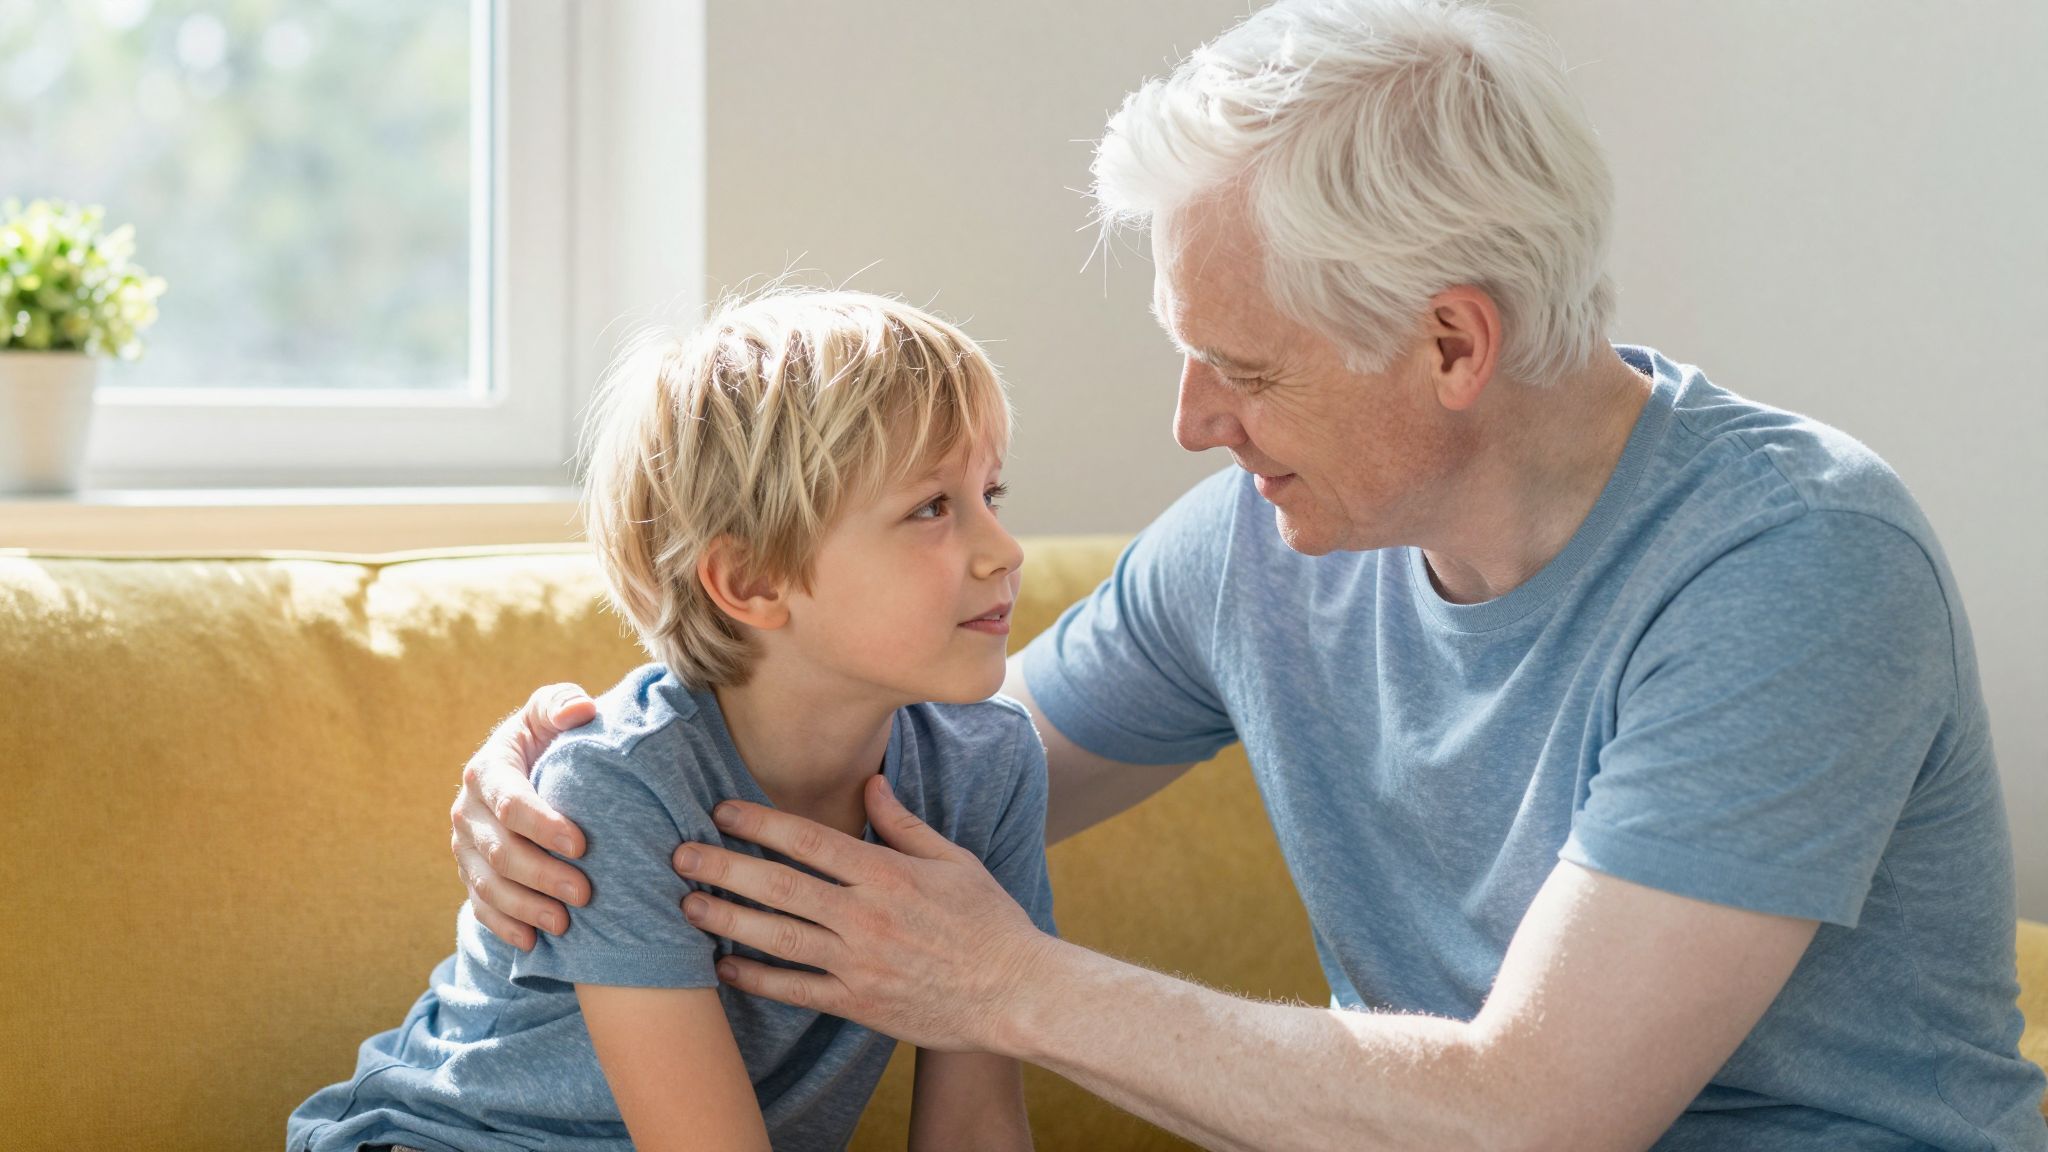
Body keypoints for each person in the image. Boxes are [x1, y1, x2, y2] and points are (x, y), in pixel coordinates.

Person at [450, 2, 2048, 1149]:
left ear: (1451, 343)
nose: (1193, 423)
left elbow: (1543, 1117)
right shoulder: (1262, 546)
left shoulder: (1793, 566)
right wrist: (557, 778)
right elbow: (909, 753)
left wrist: (1007, 986)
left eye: (1249, 370)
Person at [293, 291, 1052, 1152]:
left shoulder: (990, 764)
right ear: (752, 582)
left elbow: (978, 1126)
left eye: (991, 493)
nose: (1005, 550)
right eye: (932, 508)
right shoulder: (620, 786)